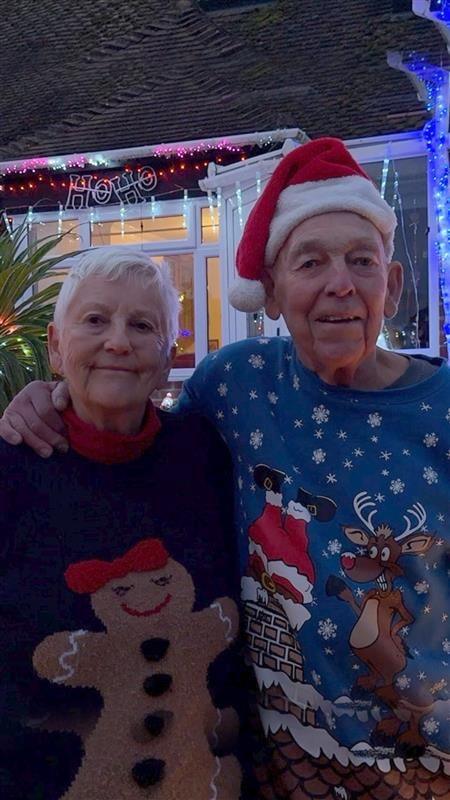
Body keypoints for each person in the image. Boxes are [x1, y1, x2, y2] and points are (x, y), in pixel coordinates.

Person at [1, 138, 449, 799]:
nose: (340, 284)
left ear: (395, 281)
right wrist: (43, 398)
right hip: (278, 777)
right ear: (270, 293)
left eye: (362, 261)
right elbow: (117, 416)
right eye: (310, 262)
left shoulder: (439, 410)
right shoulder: (236, 389)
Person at [0, 248, 243, 800]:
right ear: (56, 349)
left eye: (142, 325)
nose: (117, 341)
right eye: (94, 320)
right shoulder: (11, 468)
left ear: (166, 358)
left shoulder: (206, 454)